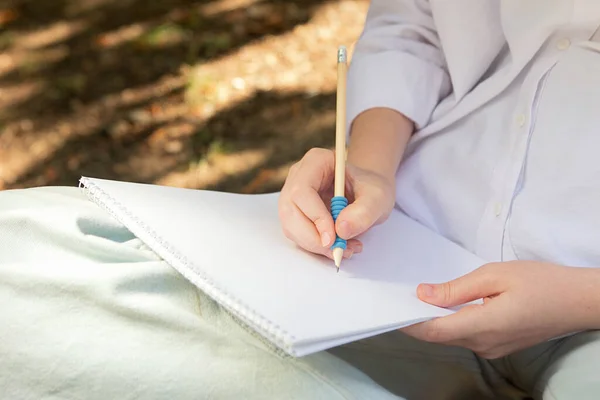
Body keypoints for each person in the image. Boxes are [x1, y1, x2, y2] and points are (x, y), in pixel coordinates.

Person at [1, 1, 599, 399]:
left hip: (587, 309)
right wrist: (368, 170)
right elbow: (413, 28)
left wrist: (583, 298)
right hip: (404, 250)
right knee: (21, 243)